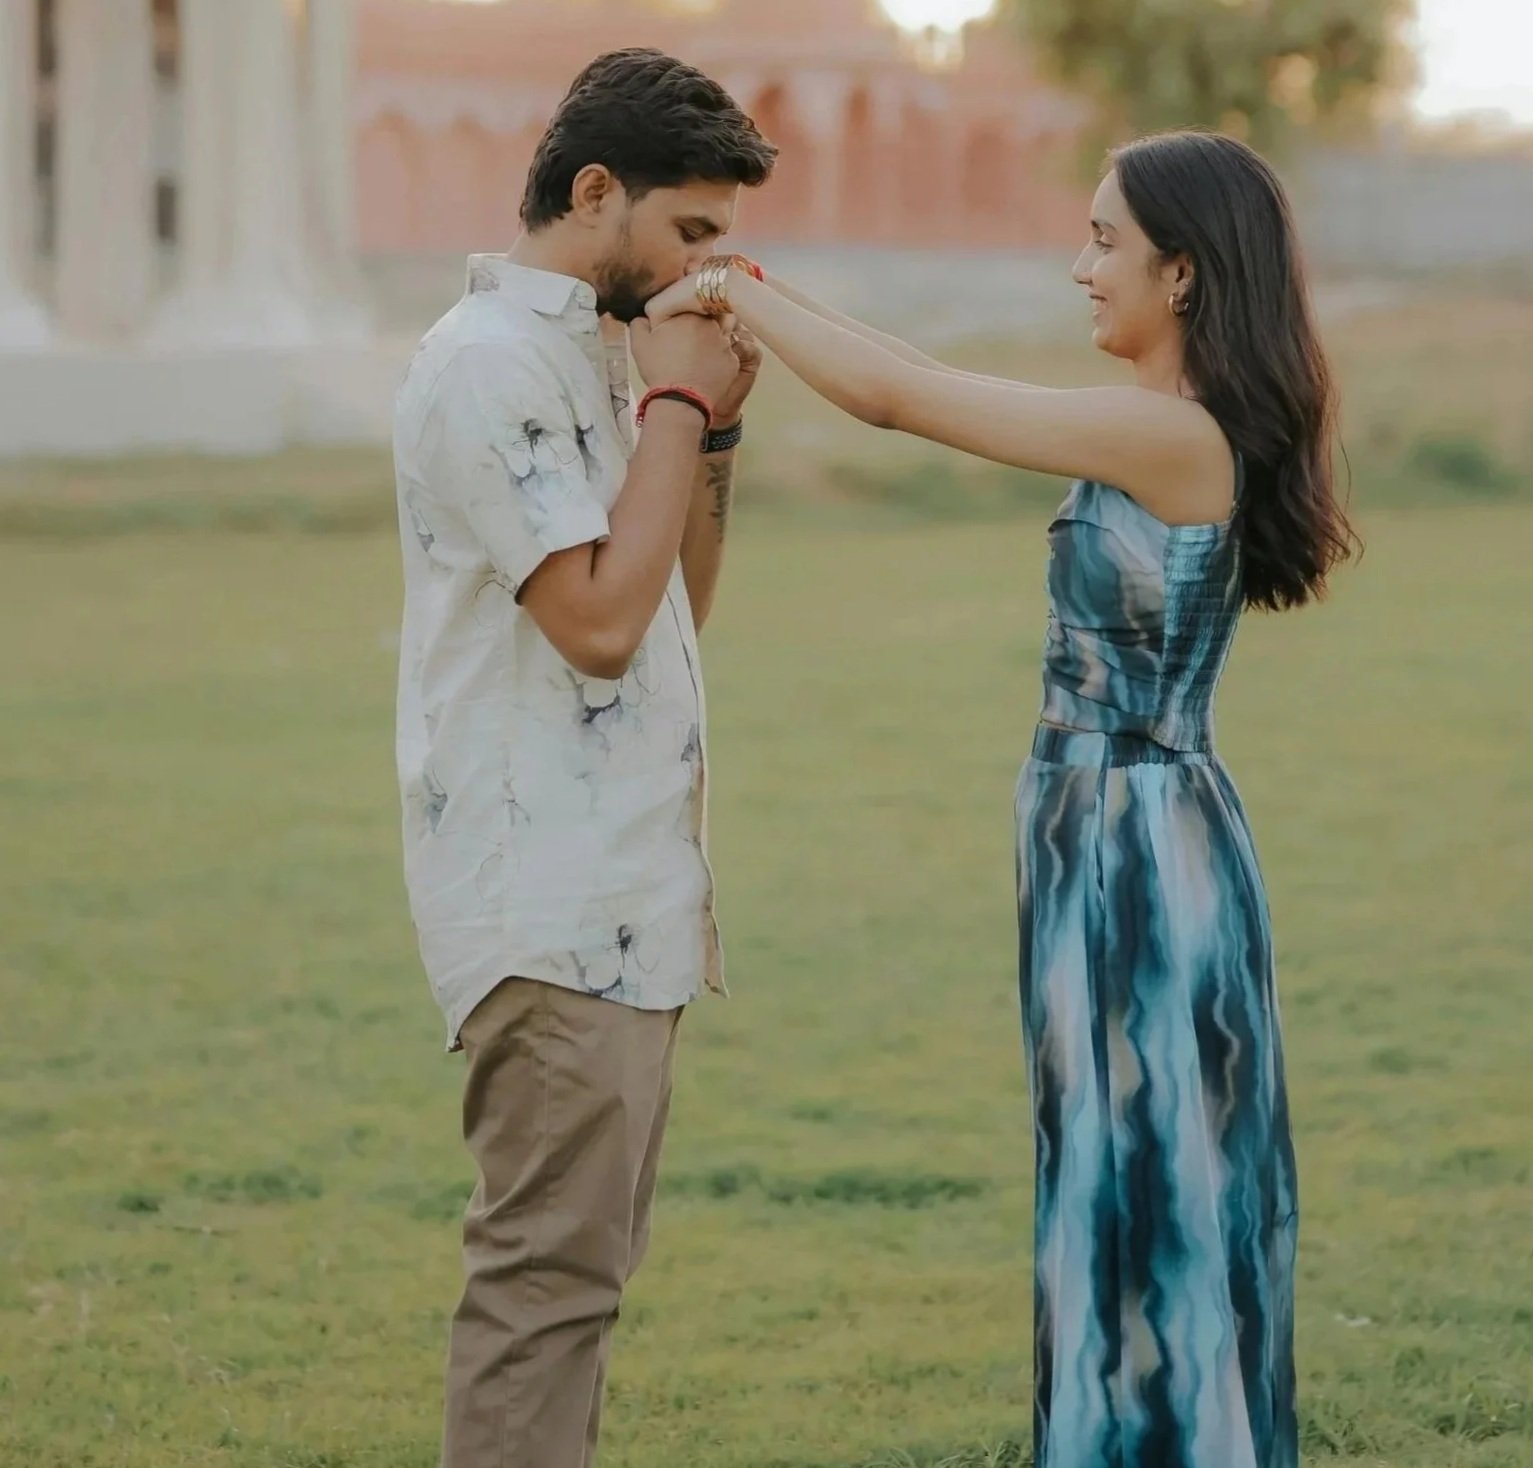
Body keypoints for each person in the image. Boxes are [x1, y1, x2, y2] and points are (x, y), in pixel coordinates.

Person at [648, 130, 1355, 1468]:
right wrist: (761, 286)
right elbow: (912, 371)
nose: (1081, 268)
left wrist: (729, 286)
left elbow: (901, 402)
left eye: (1105, 241)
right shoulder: (1158, 422)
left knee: (1146, 1175)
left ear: (1184, 274)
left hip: (1139, 846)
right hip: (1108, 831)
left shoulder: (1169, 435)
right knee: (1108, 1164)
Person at [388, 49, 775, 1468]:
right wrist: (674, 407)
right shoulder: (487, 365)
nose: (708, 270)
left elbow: (673, 606)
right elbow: (602, 631)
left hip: (623, 902)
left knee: (577, 1290)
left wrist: (712, 426)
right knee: (544, 1293)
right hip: (547, 907)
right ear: (596, 190)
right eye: (690, 230)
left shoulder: (597, 357)